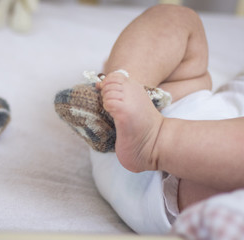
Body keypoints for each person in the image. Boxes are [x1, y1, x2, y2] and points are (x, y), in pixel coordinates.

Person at [95, 4, 244, 218]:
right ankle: (123, 79)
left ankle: (155, 139)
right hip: (165, 104)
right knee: (177, 17)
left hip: (194, 178)